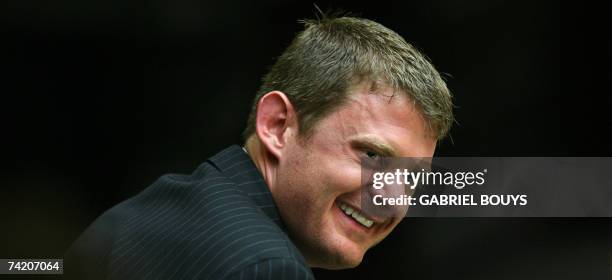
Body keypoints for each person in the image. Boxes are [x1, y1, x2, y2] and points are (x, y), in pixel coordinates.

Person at [65, 15, 453, 279]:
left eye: (411, 176)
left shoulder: (165, 207)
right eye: (372, 156)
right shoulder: (266, 268)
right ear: (276, 125)